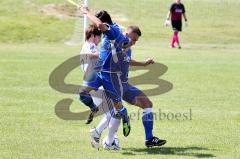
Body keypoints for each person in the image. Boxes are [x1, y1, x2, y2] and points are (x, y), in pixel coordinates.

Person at [90, 26, 167, 150]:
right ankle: (103, 137)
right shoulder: (116, 42)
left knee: (147, 103)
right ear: (126, 34)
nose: (134, 43)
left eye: (136, 41)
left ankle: (149, 138)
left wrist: (143, 63)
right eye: (133, 39)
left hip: (124, 85)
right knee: (116, 113)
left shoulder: (128, 48)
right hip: (111, 84)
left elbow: (128, 60)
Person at [78, 6, 139, 138]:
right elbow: (124, 44)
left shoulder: (111, 30)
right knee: (82, 94)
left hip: (109, 76)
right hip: (98, 72)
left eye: (97, 25)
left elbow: (100, 25)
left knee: (118, 107)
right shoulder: (114, 30)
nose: (97, 28)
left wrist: (87, 12)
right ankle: (95, 109)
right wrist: (127, 44)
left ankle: (124, 115)